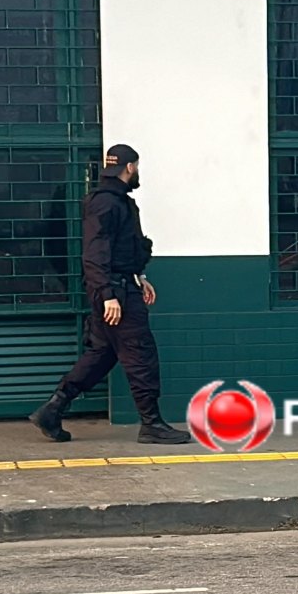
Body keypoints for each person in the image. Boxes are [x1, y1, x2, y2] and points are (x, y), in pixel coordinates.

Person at [29, 144, 190, 445]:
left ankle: (52, 410)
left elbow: (122, 249)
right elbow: (95, 252)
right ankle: (152, 424)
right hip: (117, 294)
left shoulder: (116, 201)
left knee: (101, 356)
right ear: (129, 167)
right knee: (141, 356)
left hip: (120, 286)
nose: (137, 172)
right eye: (136, 167)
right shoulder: (106, 203)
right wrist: (108, 295)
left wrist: (139, 277)